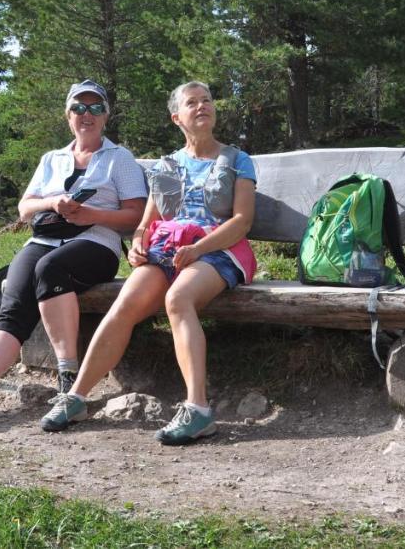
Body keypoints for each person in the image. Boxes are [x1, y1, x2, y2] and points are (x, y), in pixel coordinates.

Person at [40, 81, 257, 445]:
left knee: (178, 299)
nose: (202, 107)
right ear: (177, 117)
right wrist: (138, 243)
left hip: (219, 249)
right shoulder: (166, 165)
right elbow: (146, 222)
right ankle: (76, 397)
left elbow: (242, 222)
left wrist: (200, 248)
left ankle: (198, 409)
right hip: (169, 251)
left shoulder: (237, 159)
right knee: (126, 301)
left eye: (207, 101)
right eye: (192, 103)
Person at [0, 80, 147, 417]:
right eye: (79, 108)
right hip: (44, 239)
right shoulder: (52, 159)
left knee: (49, 269)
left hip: (96, 243)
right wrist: (54, 202)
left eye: (94, 108)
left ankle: (68, 378)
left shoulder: (119, 159)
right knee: (14, 296)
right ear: (68, 116)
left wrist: (90, 214)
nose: (86, 114)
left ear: (106, 115)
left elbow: (135, 214)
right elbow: (25, 207)